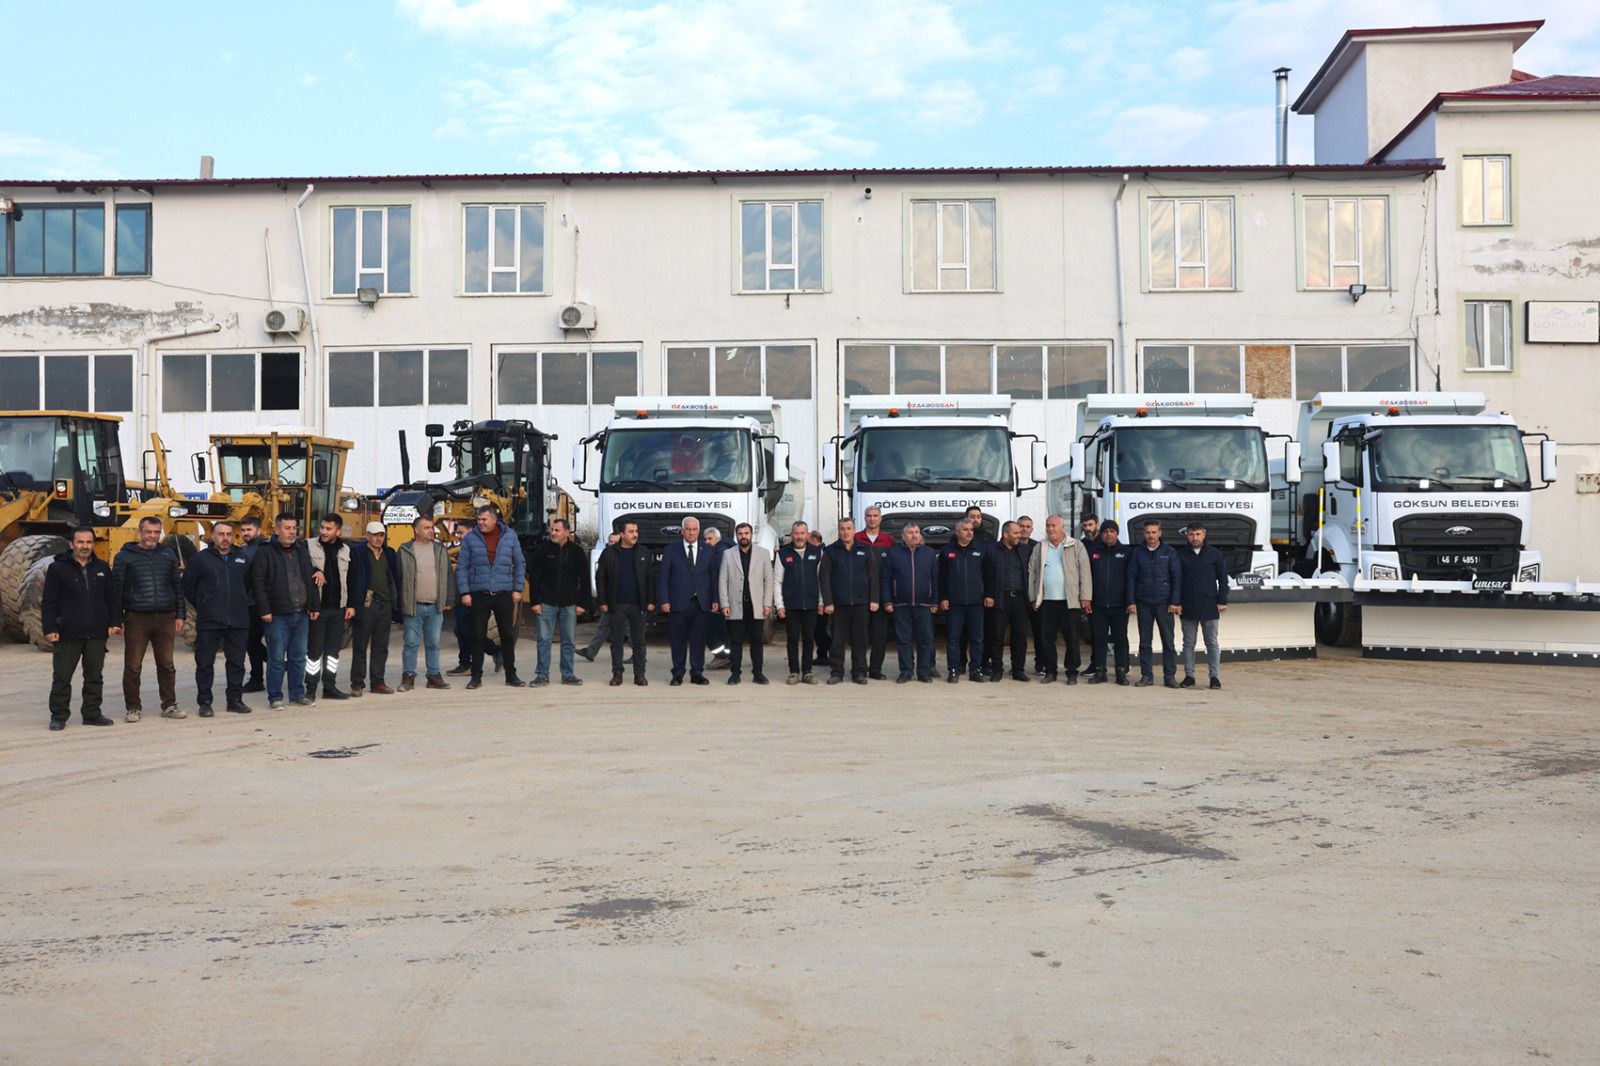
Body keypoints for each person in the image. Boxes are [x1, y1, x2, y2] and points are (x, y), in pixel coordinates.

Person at [42, 526, 118, 730]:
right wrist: (50, 628)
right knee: (62, 677)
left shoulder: (102, 568)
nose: (85, 546)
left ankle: (92, 714)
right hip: (67, 632)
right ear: (71, 544)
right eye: (80, 542)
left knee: (94, 677)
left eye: (88, 542)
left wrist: (114, 622)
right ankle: (58, 716)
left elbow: (111, 598)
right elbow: (49, 601)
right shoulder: (57, 569)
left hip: (96, 632)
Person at [113, 515, 186, 722]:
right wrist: (117, 619)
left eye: (156, 532)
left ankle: (169, 705)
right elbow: (116, 589)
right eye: (148, 532)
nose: (153, 536)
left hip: (165, 618)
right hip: (137, 618)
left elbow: (177, 586)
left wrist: (180, 614)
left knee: (166, 664)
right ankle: (133, 708)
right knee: (133, 665)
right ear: (139, 532)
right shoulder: (124, 557)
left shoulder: (168, 554)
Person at [182, 520, 254, 716]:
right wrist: (204, 604)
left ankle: (235, 700)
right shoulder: (200, 559)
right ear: (212, 536)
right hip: (209, 621)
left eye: (229, 534)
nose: (225, 538)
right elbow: (188, 586)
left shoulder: (242, 558)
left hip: (238, 620)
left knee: (236, 663)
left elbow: (249, 584)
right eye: (221, 534)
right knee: (205, 664)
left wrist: (240, 602)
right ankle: (205, 702)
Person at [251, 513, 319, 709]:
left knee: (298, 657)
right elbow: (258, 584)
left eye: (294, 528)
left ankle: (297, 694)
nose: (292, 532)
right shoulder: (265, 553)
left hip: (301, 613)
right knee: (277, 658)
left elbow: (310, 579)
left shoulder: (301, 551)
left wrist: (314, 605)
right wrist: (264, 610)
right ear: (276, 530)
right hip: (277, 616)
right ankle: (275, 696)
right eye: (287, 528)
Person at [457, 504, 526, 689]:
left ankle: (511, 675)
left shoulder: (510, 536)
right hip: (479, 593)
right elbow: (462, 567)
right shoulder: (471, 538)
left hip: (504, 592)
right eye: (478, 520)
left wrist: (518, 588)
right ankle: (476, 677)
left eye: (484, 519)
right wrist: (465, 592)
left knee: (507, 636)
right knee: (477, 635)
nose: (480, 523)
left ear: (494, 519)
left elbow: (519, 563)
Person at [1028, 515, 1093, 684]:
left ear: (1062, 527)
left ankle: (1071, 672)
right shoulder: (1040, 547)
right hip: (1046, 601)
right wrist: (1033, 596)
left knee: (1072, 639)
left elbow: (1085, 572)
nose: (1050, 529)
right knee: (1047, 639)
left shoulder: (1076, 545)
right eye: (1048, 525)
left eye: (1053, 526)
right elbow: (1032, 572)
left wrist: (1085, 597)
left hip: (1069, 601)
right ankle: (1051, 671)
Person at [305, 514, 362, 701]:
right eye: (322, 527)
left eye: (328, 529)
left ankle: (329, 686)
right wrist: (315, 571)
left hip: (338, 609)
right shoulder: (307, 546)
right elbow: (300, 568)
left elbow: (352, 580)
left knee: (333, 653)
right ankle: (311, 688)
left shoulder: (347, 550)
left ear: (338, 531)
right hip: (317, 609)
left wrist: (351, 605)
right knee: (314, 652)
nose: (323, 531)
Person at [657, 515, 719, 685]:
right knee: (678, 640)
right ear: (682, 531)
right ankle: (678, 673)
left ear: (698, 531)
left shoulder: (708, 550)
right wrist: (664, 600)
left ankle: (697, 673)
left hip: (701, 603)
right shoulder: (671, 550)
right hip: (677, 603)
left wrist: (715, 599)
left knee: (698, 640)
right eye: (688, 529)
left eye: (694, 529)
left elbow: (713, 577)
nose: (691, 532)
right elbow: (663, 578)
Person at [529, 517, 590, 687]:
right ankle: (542, 675)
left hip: (569, 604)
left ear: (567, 532)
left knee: (569, 640)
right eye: (552, 530)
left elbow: (584, 579)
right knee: (543, 640)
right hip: (546, 603)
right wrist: (535, 601)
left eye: (557, 530)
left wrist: (583, 603)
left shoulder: (577, 552)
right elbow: (534, 578)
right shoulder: (543, 551)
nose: (553, 533)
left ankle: (568, 674)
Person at [819, 517, 879, 685]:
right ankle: (836, 672)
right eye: (842, 529)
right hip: (839, 604)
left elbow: (873, 576)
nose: (845, 532)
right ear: (839, 531)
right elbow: (824, 577)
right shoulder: (830, 551)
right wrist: (828, 602)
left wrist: (874, 599)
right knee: (837, 641)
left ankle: (859, 672)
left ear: (854, 530)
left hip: (861, 603)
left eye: (848, 528)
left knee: (860, 640)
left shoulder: (865, 549)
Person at [594, 520, 653, 686]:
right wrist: (603, 600)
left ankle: (639, 675)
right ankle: (617, 674)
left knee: (639, 642)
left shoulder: (643, 552)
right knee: (617, 642)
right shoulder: (609, 553)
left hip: (638, 605)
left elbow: (650, 577)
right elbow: (601, 578)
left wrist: (650, 600)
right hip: (616, 605)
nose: (635, 534)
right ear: (621, 534)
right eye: (631, 531)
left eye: (636, 531)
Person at [1125, 518, 1182, 688]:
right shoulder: (1137, 553)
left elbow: (1177, 578)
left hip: (1165, 604)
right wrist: (1131, 601)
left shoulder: (1170, 552)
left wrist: (1174, 601)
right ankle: (1146, 676)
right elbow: (1131, 578)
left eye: (1154, 532)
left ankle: (1169, 677)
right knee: (1145, 642)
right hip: (1143, 603)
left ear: (1160, 533)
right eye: (1148, 532)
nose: (1151, 535)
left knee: (1168, 642)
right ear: (1143, 534)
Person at [398, 514, 452, 692]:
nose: (431, 531)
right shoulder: (405, 550)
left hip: (435, 607)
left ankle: (434, 676)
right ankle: (408, 677)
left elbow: (448, 575)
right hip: (413, 606)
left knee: (433, 643)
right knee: (410, 643)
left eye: (431, 527)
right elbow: (398, 577)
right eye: (427, 528)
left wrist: (449, 599)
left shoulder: (440, 549)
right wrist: (400, 603)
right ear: (416, 530)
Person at [881, 522, 939, 683]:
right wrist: (887, 601)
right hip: (901, 605)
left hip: (924, 605)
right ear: (903, 536)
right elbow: (885, 579)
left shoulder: (929, 553)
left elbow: (935, 579)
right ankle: (906, 671)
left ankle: (923, 672)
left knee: (925, 640)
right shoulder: (893, 553)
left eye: (917, 532)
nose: (914, 535)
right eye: (910, 533)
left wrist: (935, 601)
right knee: (903, 641)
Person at [349, 521, 401, 696]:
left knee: (381, 645)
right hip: (366, 604)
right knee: (360, 645)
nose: (379, 539)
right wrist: (352, 604)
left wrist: (395, 602)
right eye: (375, 535)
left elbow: (394, 577)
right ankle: (357, 683)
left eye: (381, 535)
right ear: (367, 536)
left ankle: (378, 682)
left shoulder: (389, 553)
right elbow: (352, 579)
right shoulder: (357, 553)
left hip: (385, 604)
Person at [718, 522, 772, 685]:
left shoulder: (763, 553)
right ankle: (735, 674)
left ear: (751, 535)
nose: (743, 536)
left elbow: (768, 580)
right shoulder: (728, 554)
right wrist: (724, 604)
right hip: (735, 605)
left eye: (746, 533)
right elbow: (723, 580)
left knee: (757, 641)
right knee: (736, 642)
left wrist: (767, 604)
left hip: (756, 606)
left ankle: (758, 673)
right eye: (740, 534)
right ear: (736, 536)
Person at [1177, 522, 1229, 689]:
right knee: (1188, 643)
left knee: (1212, 643)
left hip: (1210, 605)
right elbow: (1176, 581)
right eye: (1191, 534)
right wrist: (1176, 602)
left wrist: (1222, 600)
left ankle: (1214, 677)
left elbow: (1223, 579)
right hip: (1187, 605)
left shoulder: (1215, 554)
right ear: (1187, 535)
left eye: (1198, 534)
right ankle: (1189, 676)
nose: (1195, 537)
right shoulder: (1180, 555)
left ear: (1204, 535)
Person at [939, 519, 991, 683]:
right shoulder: (947, 551)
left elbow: (988, 575)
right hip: (955, 604)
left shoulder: (981, 550)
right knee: (953, 638)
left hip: (976, 603)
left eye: (971, 530)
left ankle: (975, 670)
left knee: (977, 638)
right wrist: (943, 597)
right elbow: (941, 578)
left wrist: (989, 595)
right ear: (957, 532)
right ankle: (954, 670)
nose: (970, 532)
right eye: (966, 530)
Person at [982, 521, 1032, 682]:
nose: (1020, 535)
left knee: (1020, 638)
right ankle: (997, 670)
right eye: (1016, 533)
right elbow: (985, 575)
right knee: (997, 637)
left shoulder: (1025, 550)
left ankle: (1018, 670)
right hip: (999, 599)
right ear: (1005, 534)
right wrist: (988, 595)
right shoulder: (991, 551)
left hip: (1020, 600)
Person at [773, 520, 823, 685]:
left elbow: (821, 579)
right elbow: (777, 581)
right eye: (796, 533)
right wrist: (779, 605)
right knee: (792, 639)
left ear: (807, 535)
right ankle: (793, 672)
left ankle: (807, 672)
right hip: (791, 605)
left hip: (811, 604)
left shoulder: (817, 552)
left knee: (809, 638)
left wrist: (821, 602)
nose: (799, 536)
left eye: (802, 533)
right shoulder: (783, 554)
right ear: (791, 535)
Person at [1086, 521, 1132, 685]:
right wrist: (1087, 598)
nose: (1109, 534)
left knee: (1120, 639)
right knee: (1099, 639)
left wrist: (1130, 601)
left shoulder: (1126, 552)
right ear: (1101, 533)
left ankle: (1121, 671)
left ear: (1117, 533)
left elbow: (1131, 578)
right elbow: (1086, 577)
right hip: (1097, 605)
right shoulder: (1092, 552)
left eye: (1112, 531)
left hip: (1120, 605)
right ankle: (1100, 671)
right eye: (1106, 531)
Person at [855, 505, 894, 680]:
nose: (872, 519)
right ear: (864, 518)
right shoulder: (856, 538)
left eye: (875, 516)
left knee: (880, 636)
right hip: (861, 596)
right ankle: (860, 669)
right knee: (860, 636)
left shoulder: (889, 541)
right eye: (869, 515)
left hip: (882, 595)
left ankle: (875, 670)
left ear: (880, 518)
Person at [579, 531, 621, 663]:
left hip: (625, 599)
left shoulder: (626, 556)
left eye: (615, 542)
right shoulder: (606, 555)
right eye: (610, 542)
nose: (612, 544)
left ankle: (639, 654)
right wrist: (603, 599)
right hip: (611, 599)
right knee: (604, 626)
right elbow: (600, 577)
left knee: (629, 628)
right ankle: (591, 651)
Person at [237, 514, 268, 693]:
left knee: (255, 642)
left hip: (261, 603)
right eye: (243, 530)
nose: (245, 533)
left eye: (249, 529)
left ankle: (261, 677)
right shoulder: (244, 550)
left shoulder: (265, 548)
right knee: (252, 643)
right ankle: (257, 678)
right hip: (249, 603)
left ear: (258, 530)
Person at [701, 526, 731, 668]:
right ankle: (728, 657)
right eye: (705, 539)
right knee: (723, 630)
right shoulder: (726, 550)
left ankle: (721, 656)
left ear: (717, 539)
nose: (706, 542)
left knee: (707, 628)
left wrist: (716, 600)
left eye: (710, 539)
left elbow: (718, 579)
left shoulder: (719, 554)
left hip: (718, 598)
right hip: (722, 598)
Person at [1017, 515, 1043, 674]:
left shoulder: (1037, 547)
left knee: (1040, 632)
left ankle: (1040, 664)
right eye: (1022, 526)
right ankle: (1017, 666)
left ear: (1032, 529)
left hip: (1034, 596)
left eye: (1028, 526)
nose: (1024, 529)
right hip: (1018, 597)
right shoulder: (1010, 545)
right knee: (1018, 634)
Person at [807, 529, 831, 663]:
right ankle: (822, 655)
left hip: (822, 598)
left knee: (819, 629)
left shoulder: (822, 554)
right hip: (817, 598)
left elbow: (822, 578)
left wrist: (822, 601)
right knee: (818, 629)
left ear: (814, 540)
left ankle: (830, 650)